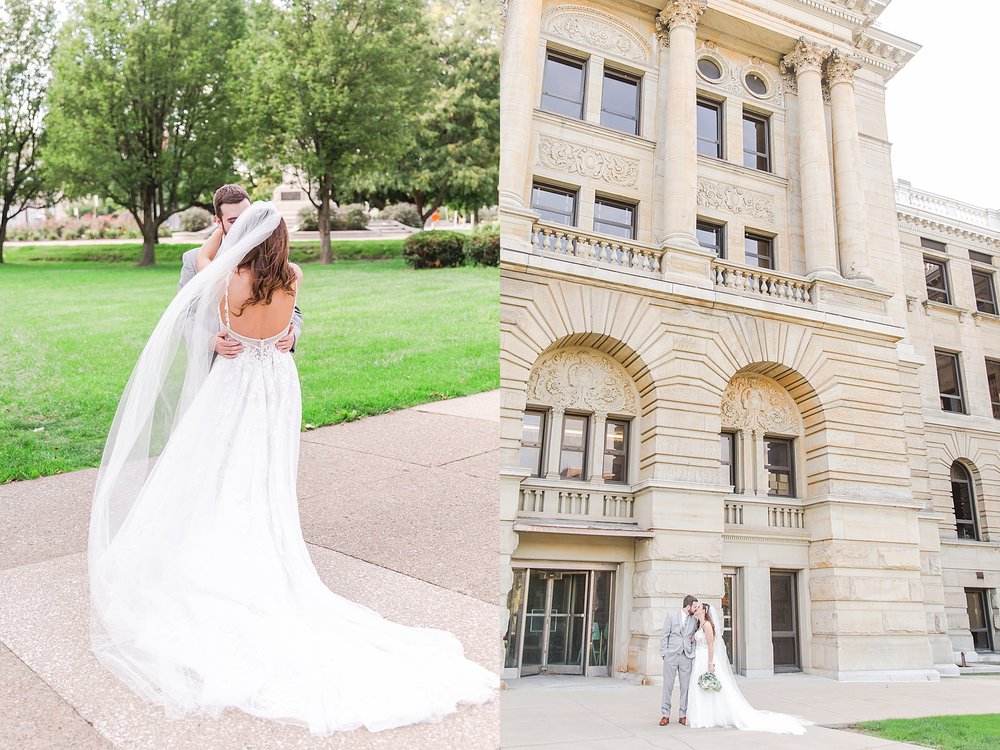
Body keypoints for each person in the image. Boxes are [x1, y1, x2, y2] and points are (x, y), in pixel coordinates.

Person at [88, 201, 497, 735]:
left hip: (233, 381)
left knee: (218, 467)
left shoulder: (226, 275)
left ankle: (218, 544)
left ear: (243, 236)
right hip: (276, 382)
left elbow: (192, 296)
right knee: (263, 473)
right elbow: (283, 316)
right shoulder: (295, 276)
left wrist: (217, 254)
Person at [180, 185, 301, 358]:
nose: (243, 225)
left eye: (246, 217)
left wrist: (292, 335)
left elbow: (292, 308)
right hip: (213, 360)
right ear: (218, 221)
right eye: (233, 221)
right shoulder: (193, 259)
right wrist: (209, 341)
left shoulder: (270, 259)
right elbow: (184, 314)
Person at [685, 603, 807, 734]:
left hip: (706, 659)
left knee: (711, 687)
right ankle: (704, 715)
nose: (695, 608)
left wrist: (710, 663)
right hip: (699, 660)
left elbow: (710, 645)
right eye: (695, 607)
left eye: (698, 607)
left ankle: (709, 717)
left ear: (704, 611)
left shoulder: (707, 625)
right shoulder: (700, 625)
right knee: (701, 688)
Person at [659, 594, 699, 726]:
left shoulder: (694, 619)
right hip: (671, 656)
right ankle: (665, 714)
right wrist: (664, 653)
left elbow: (695, 636)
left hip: (686, 656)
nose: (696, 608)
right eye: (694, 606)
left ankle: (683, 714)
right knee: (668, 687)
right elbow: (664, 635)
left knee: (685, 687)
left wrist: (692, 652)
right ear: (688, 606)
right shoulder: (671, 616)